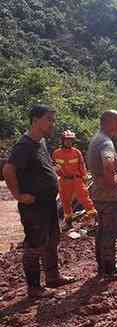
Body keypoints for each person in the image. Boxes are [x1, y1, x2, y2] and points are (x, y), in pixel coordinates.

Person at [3, 104, 75, 298]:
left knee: (52, 240)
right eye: (49, 120)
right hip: (34, 206)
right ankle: (34, 288)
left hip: (48, 203)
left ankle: (52, 277)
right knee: (35, 245)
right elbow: (8, 170)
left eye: (53, 120)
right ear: (36, 119)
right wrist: (18, 195)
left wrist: (51, 171)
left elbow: (40, 165)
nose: (53, 124)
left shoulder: (40, 142)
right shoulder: (24, 145)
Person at [87, 110, 117, 280]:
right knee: (109, 232)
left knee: (102, 230)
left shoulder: (96, 139)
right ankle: (110, 270)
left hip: (99, 193)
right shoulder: (106, 143)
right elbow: (108, 163)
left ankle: (103, 266)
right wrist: (115, 179)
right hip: (109, 195)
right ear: (111, 122)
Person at [52, 130, 97, 229]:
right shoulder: (56, 153)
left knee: (85, 199)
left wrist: (84, 178)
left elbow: (82, 165)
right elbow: (55, 167)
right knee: (65, 202)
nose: (69, 142)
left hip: (77, 180)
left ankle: (93, 219)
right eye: (67, 140)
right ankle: (68, 222)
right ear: (63, 140)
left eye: (70, 140)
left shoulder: (76, 152)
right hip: (64, 181)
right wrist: (57, 172)